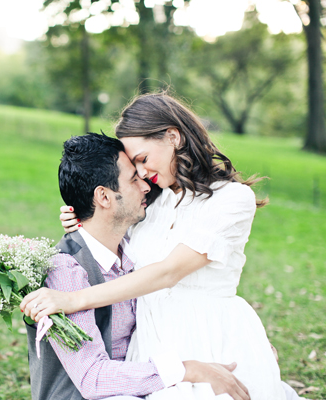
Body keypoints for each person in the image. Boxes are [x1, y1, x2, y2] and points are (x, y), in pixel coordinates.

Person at [21, 94, 301, 400]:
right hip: (151, 344)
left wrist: (74, 300)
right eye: (134, 166)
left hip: (210, 337)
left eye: (142, 159)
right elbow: (112, 238)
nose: (141, 173)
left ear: (172, 136)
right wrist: (83, 215)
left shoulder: (232, 200)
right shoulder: (153, 201)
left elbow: (168, 272)